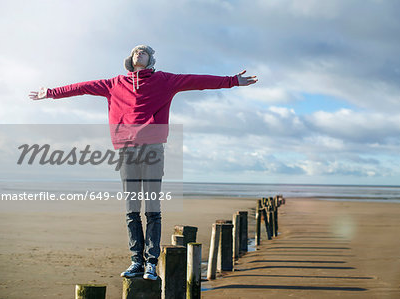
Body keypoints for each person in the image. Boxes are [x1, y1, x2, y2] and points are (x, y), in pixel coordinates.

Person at [29, 44, 258, 280]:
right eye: (136, 51)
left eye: (144, 52)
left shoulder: (165, 81)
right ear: (130, 58)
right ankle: (136, 261)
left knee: (152, 211)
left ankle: (151, 262)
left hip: (152, 150)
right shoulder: (114, 83)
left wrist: (232, 81)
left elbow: (197, 81)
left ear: (151, 59)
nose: (139, 53)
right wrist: (51, 92)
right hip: (126, 150)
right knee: (131, 212)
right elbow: (82, 87)